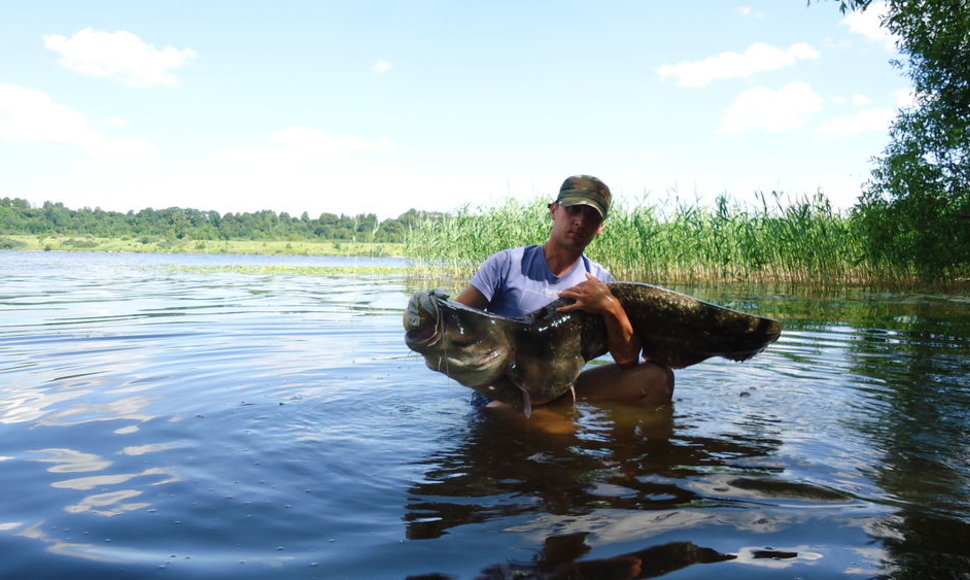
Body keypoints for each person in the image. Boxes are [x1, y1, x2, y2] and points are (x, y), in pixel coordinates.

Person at [454, 175, 674, 409]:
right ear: (554, 210)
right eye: (573, 210)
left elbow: (627, 360)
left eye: (592, 217)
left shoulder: (602, 283)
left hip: (561, 389)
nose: (580, 222)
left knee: (658, 379)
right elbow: (454, 318)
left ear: (600, 228)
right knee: (546, 426)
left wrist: (611, 306)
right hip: (504, 392)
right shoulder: (507, 264)